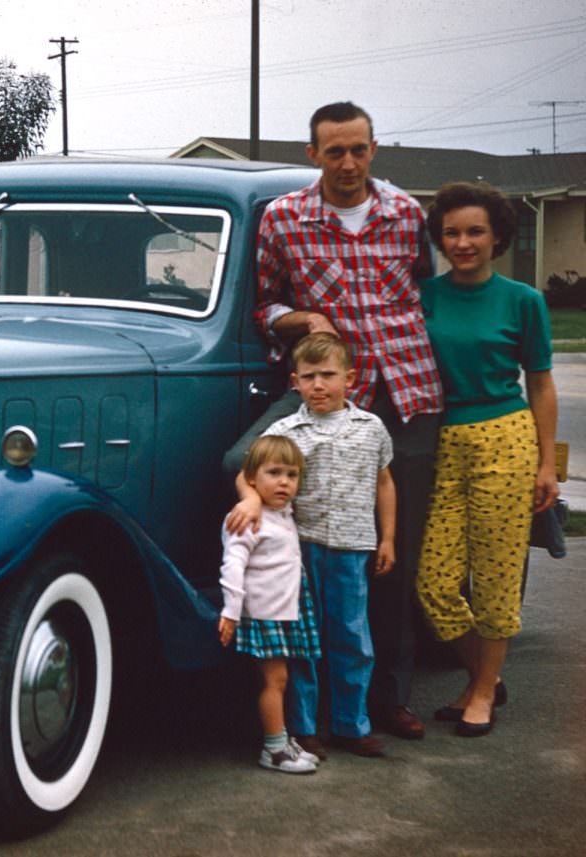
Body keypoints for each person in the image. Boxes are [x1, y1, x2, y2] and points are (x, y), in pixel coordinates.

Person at [224, 101, 441, 741]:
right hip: (323, 392)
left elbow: (425, 291)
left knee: (391, 556)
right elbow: (264, 307)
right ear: (313, 154)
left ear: (374, 150)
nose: (348, 163)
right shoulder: (284, 218)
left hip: (404, 394)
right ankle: (298, 699)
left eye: (359, 150)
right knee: (255, 478)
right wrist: (303, 321)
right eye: (334, 151)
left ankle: (388, 700)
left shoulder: (405, 214)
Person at [415, 181, 558, 737]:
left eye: (475, 231)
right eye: (451, 232)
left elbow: (541, 386)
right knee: (434, 583)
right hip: (441, 440)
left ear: (497, 235)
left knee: (496, 575)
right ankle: (486, 677)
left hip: (505, 438)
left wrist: (547, 465)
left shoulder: (524, 300)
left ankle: (479, 693)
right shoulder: (426, 294)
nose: (463, 242)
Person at [230, 333, 396, 758]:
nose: (318, 385)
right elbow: (246, 470)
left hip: (353, 544)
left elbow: (384, 482)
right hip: (298, 550)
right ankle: (303, 727)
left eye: (328, 375)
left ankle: (351, 724)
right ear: (295, 382)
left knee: (352, 637)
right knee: (303, 640)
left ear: (350, 378)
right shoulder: (286, 430)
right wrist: (250, 498)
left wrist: (389, 537)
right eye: (309, 377)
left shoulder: (370, 428)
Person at [218, 434, 321, 774]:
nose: (284, 482)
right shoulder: (248, 518)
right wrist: (231, 612)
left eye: (291, 475)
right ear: (251, 480)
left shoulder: (283, 512)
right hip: (264, 612)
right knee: (274, 681)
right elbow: (233, 564)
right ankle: (274, 748)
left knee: (282, 678)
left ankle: (281, 739)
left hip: (284, 608)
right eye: (274, 473)